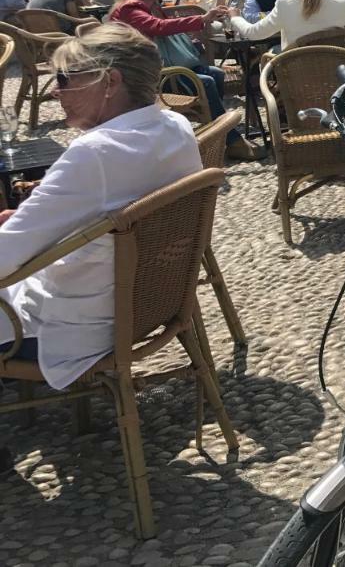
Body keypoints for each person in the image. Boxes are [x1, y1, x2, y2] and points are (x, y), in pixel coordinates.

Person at [0, 24, 203, 389]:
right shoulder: (175, 125)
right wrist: (41, 226)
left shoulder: (94, 153)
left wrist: (25, 234)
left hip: (72, 331)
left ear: (110, 82)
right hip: (145, 306)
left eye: (64, 79)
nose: (55, 92)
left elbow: (3, 257)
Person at [109, 0, 260, 161]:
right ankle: (230, 140)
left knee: (216, 74)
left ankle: (214, 134)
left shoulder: (150, 7)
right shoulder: (129, 9)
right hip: (147, 79)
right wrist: (201, 19)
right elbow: (159, 27)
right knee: (205, 81)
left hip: (163, 69)